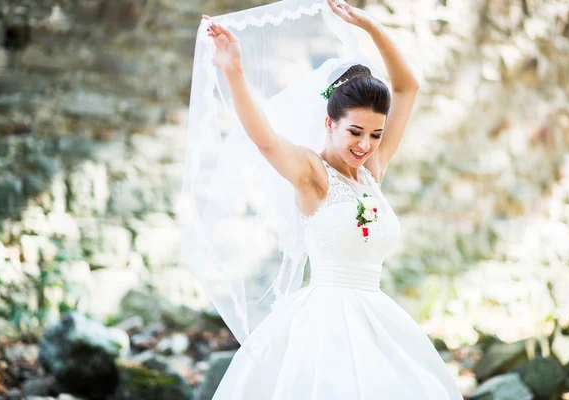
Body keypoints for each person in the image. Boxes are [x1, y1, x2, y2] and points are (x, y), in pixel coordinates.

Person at [183, 0, 465, 398]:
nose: (365, 144)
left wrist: (372, 27)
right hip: (325, 326)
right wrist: (234, 70)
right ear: (330, 122)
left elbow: (407, 86)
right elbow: (264, 139)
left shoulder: (372, 171)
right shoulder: (311, 173)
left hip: (378, 318)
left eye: (376, 134)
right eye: (355, 132)